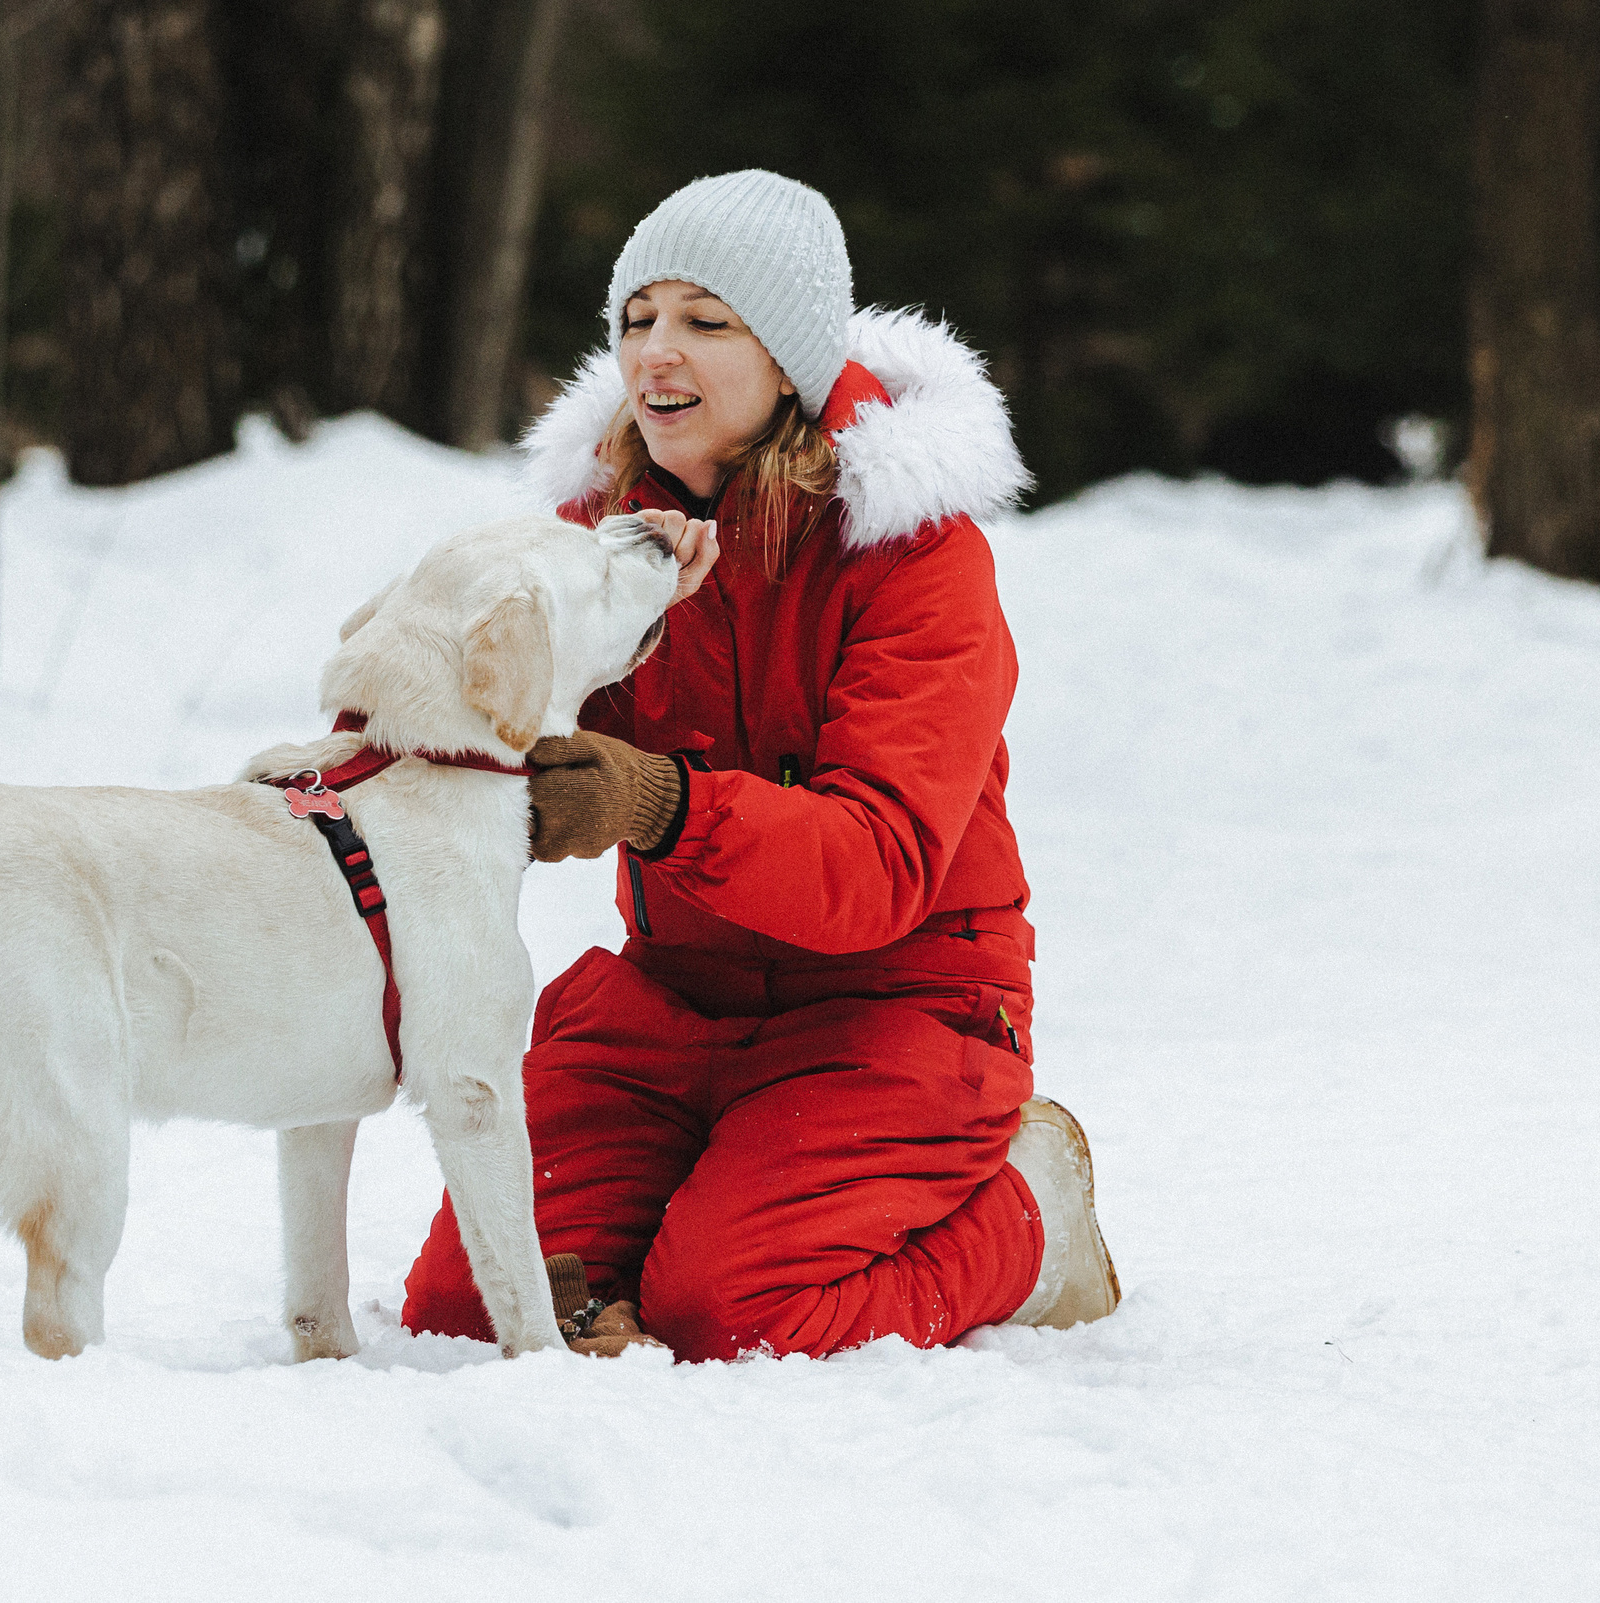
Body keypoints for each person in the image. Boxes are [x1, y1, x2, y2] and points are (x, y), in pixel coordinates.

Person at [398, 170, 1119, 1361]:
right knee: (475, 1303)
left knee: (733, 1312)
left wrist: (654, 802)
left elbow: (879, 862)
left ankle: (1032, 1217)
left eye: (704, 321)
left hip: (901, 1010)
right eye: (635, 321)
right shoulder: (596, 541)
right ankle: (678, 1217)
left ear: (787, 358)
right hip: (671, 1005)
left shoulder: (914, 554)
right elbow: (489, 728)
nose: (654, 355)